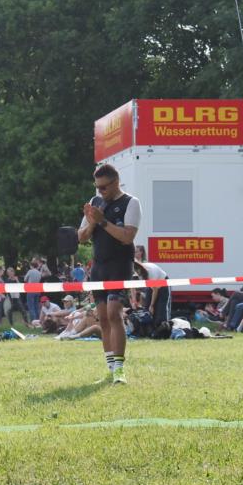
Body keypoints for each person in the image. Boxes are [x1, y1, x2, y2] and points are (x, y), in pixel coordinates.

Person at [78, 163, 141, 383]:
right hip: (99, 266)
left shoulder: (131, 203)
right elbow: (82, 236)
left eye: (104, 187)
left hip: (120, 265)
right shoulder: (95, 203)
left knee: (115, 313)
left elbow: (127, 237)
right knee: (103, 318)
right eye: (97, 188)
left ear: (115, 183)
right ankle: (111, 367)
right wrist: (93, 223)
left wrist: (103, 221)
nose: (100, 192)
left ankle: (120, 370)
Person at [133, 259, 171, 327]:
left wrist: (152, 305)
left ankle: (162, 327)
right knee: (146, 310)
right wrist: (134, 301)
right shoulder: (134, 272)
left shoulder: (150, 273)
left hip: (163, 284)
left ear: (138, 271)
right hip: (151, 287)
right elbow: (131, 286)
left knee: (161, 310)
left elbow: (155, 290)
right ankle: (149, 330)